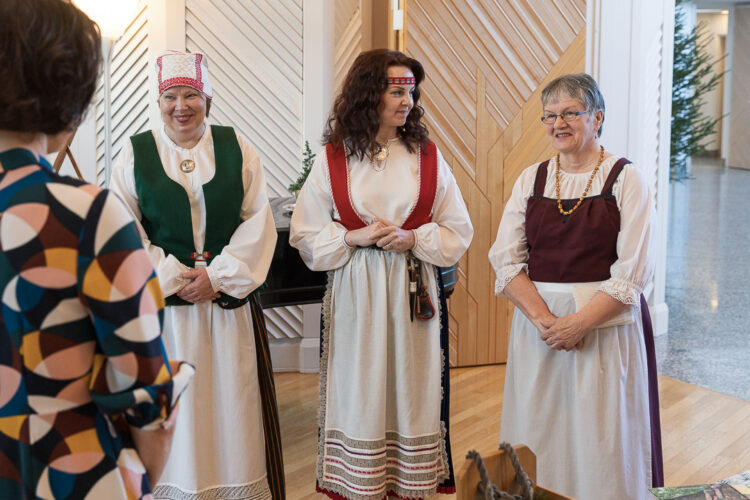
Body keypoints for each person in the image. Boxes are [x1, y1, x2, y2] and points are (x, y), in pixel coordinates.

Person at [0, 0, 195, 498]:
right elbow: (149, 399)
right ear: (69, 90)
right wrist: (140, 480)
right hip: (69, 473)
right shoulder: (86, 215)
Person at [289, 49, 473, 500]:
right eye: (395, 90)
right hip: (358, 287)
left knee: (413, 381)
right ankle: (360, 483)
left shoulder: (427, 155)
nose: (406, 100)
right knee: (360, 379)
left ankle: (408, 483)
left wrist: (414, 240)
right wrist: (354, 238)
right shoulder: (333, 157)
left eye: (410, 91)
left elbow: (458, 228)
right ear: (368, 95)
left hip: (413, 285)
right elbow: (305, 233)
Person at [110, 50, 284, 499]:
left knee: (232, 405)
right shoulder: (134, 153)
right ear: (158, 99)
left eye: (191, 95)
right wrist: (172, 276)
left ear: (208, 97)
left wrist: (220, 276)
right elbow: (123, 230)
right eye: (171, 96)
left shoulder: (236, 146)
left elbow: (258, 219)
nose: (181, 106)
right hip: (169, 316)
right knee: (179, 414)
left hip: (226, 313)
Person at [488, 73, 664, 500]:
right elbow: (506, 259)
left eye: (570, 113)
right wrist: (548, 321)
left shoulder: (626, 178)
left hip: (603, 329)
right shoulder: (532, 179)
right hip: (539, 330)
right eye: (549, 116)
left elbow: (632, 272)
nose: (557, 123)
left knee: (601, 435)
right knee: (538, 426)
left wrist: (578, 324)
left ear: (597, 117)